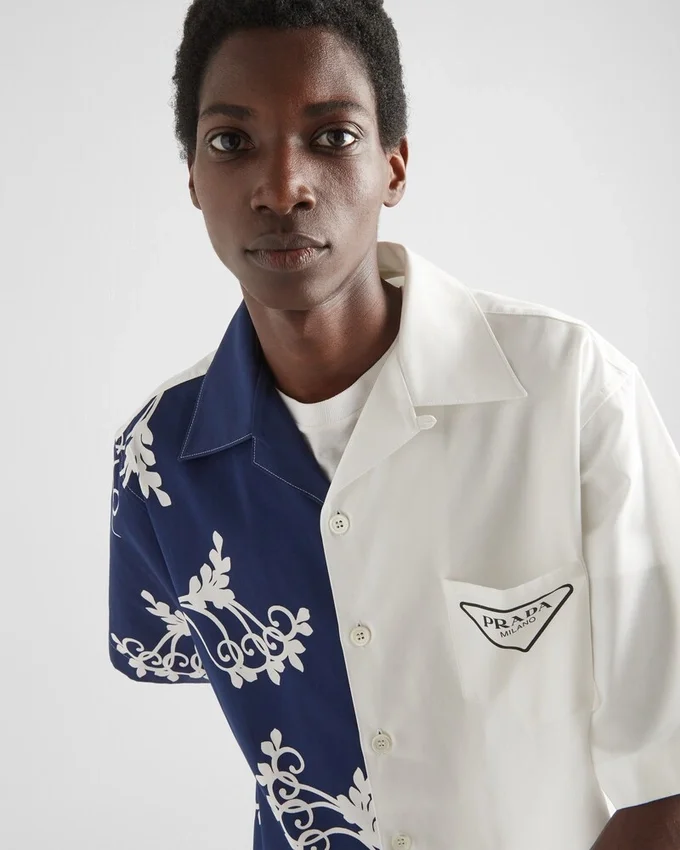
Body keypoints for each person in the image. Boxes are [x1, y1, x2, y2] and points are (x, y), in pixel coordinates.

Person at [108, 2, 680, 849]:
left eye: (332, 137)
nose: (283, 188)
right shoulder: (158, 461)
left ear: (394, 166)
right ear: (193, 176)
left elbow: (669, 781)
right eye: (231, 141)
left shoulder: (569, 393)